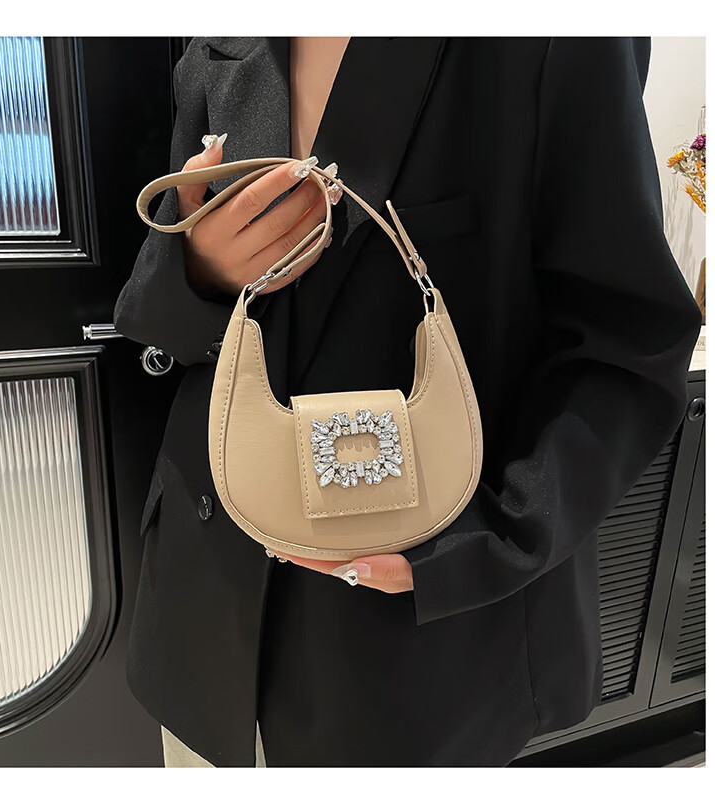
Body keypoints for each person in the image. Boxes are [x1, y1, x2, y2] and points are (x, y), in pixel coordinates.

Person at [113, 36, 702, 767]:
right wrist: (198, 271)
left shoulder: (548, 40)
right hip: (197, 621)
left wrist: (483, 542)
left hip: (414, 662)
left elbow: (626, 346)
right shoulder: (222, 45)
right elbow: (161, 328)